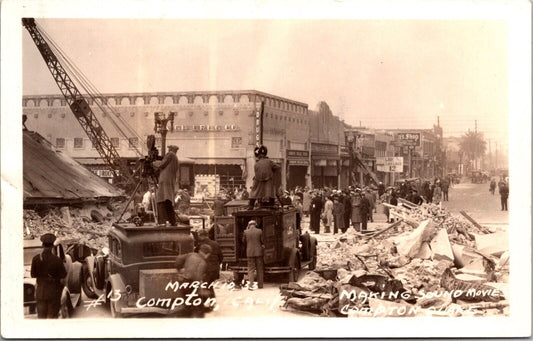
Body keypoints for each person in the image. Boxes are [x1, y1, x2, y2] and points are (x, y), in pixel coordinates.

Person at [31, 233, 67, 319]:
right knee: (52, 317)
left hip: (41, 293)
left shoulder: (36, 259)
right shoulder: (57, 260)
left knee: (41, 318)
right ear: (52, 246)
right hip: (54, 293)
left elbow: (33, 275)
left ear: (42, 245)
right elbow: (63, 276)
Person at [154, 145, 179, 225]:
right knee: (168, 200)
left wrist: (153, 163)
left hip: (164, 181)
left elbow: (162, 164)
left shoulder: (170, 154)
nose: (168, 150)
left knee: (160, 200)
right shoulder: (176, 158)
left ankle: (162, 221)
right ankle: (172, 221)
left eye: (169, 149)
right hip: (169, 182)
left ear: (171, 149)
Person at [195, 229, 223, 301]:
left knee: (205, 286)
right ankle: (210, 301)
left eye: (198, 236)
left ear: (201, 236)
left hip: (206, 269)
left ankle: (206, 302)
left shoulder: (201, 245)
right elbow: (221, 257)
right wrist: (216, 265)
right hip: (214, 268)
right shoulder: (215, 243)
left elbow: (195, 257)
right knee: (209, 285)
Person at [242, 220, 265, 289]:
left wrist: (246, 230)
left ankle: (251, 285)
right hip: (258, 252)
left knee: (251, 269)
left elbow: (243, 241)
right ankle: (260, 285)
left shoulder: (246, 232)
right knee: (259, 269)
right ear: (255, 224)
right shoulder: (259, 231)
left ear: (249, 225)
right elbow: (262, 241)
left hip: (249, 253)